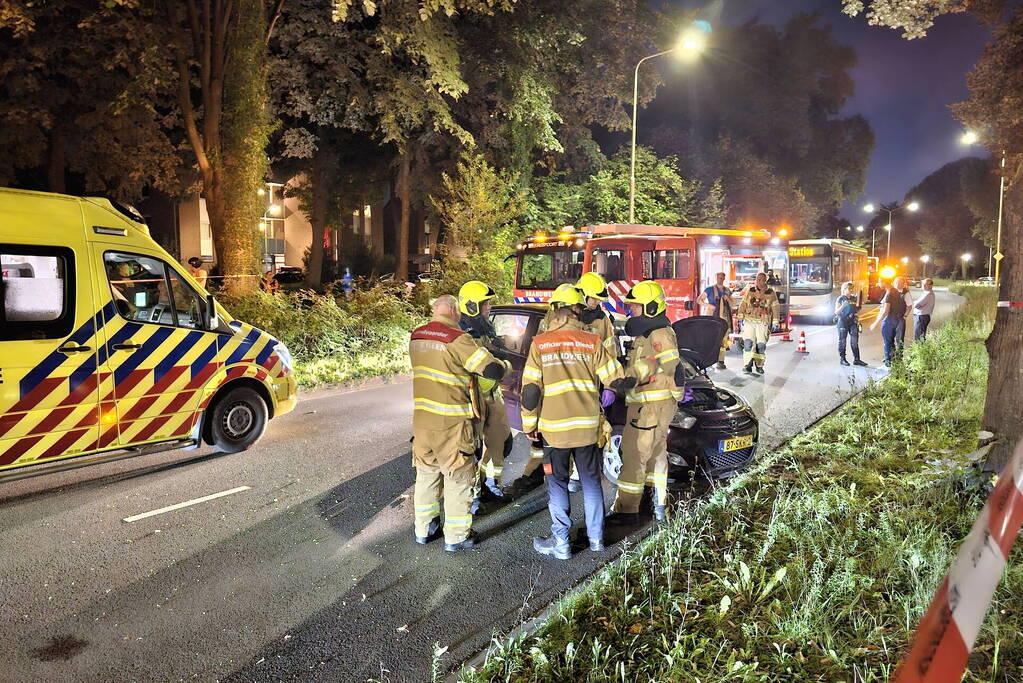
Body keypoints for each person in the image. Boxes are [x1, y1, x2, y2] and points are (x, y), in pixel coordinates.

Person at [522, 306, 633, 559]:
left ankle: (561, 543)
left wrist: (529, 424)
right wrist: (615, 388)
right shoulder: (592, 342)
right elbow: (615, 378)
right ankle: (596, 539)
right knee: (591, 482)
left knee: (558, 483)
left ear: (555, 319)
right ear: (575, 319)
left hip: (554, 431)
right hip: (586, 429)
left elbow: (530, 391)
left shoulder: (540, 344)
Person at [409, 294, 509, 552]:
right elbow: (491, 370)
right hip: (452, 423)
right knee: (458, 477)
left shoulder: (417, 336)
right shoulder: (457, 339)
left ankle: (424, 529)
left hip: (422, 422)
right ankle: (456, 536)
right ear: (454, 311)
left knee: (426, 475)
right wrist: (504, 364)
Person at [607, 281, 681, 525]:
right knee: (656, 456)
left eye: (636, 307)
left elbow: (667, 363)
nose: (632, 311)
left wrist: (631, 376)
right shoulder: (652, 333)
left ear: (650, 307)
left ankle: (626, 511)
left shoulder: (658, 334)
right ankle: (657, 505)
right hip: (655, 408)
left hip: (648, 409)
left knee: (634, 456)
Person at [514, 283, 590, 490]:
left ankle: (546, 481)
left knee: (553, 455)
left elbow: (531, 386)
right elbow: (532, 388)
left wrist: (529, 424)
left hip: (554, 408)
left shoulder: (548, 333)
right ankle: (534, 476)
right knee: (544, 449)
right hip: (558, 404)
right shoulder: (580, 332)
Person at [457, 280, 512, 508]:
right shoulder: (461, 334)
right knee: (473, 450)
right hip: (473, 398)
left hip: (493, 394)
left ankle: (491, 483)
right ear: (471, 306)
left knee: (501, 442)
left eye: (488, 303)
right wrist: (503, 365)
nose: (489, 307)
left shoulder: (485, 328)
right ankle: (474, 496)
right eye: (485, 304)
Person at [736, 272, 780, 375]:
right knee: (748, 344)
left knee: (761, 345)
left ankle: (759, 366)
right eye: (757, 279)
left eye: (761, 279)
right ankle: (747, 365)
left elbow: (775, 307)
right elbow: (743, 304)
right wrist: (740, 317)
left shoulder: (771, 293)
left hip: (763, 322)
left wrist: (775, 321)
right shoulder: (750, 291)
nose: (759, 281)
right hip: (749, 320)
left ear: (765, 280)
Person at [696, 272, 734, 370]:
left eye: (722, 278)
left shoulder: (727, 291)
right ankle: (708, 360)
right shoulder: (709, 289)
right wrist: (709, 306)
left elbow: (733, 304)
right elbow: (699, 300)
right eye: (719, 278)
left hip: (724, 318)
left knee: (723, 340)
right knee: (711, 339)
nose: (720, 279)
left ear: (724, 279)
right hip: (712, 318)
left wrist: (728, 299)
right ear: (716, 278)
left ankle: (721, 361)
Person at [575, 272, 619, 356]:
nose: (598, 302)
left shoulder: (602, 319)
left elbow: (610, 351)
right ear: (582, 294)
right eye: (594, 298)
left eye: (599, 299)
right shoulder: (566, 315)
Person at [871, 277, 908, 367]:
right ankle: (895, 360)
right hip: (898, 319)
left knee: (887, 342)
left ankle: (888, 361)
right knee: (895, 342)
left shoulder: (889, 293)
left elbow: (886, 311)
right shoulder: (897, 292)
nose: (878, 284)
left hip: (889, 320)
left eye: (879, 282)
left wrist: (876, 322)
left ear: (884, 282)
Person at [834, 282, 867, 367]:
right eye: (849, 288)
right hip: (843, 322)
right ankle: (843, 359)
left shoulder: (854, 298)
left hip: (852, 322)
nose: (851, 290)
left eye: (852, 288)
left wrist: (858, 308)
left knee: (854, 341)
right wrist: (843, 306)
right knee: (842, 341)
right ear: (844, 289)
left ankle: (857, 359)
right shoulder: (840, 299)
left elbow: (856, 309)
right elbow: (836, 312)